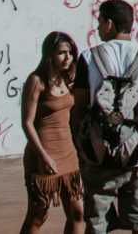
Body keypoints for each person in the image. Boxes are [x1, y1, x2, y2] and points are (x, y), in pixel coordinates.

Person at [73, 0, 138, 234]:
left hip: (98, 154)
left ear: (109, 23)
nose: (97, 28)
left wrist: (81, 148)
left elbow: (79, 108)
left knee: (97, 223)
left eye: (99, 22)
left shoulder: (88, 57)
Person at [20, 31, 85, 233]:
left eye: (71, 53)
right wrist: (44, 156)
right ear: (49, 54)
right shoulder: (36, 81)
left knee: (77, 213)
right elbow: (27, 123)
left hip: (68, 152)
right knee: (39, 214)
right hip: (43, 154)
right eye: (62, 53)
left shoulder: (69, 80)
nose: (68, 58)